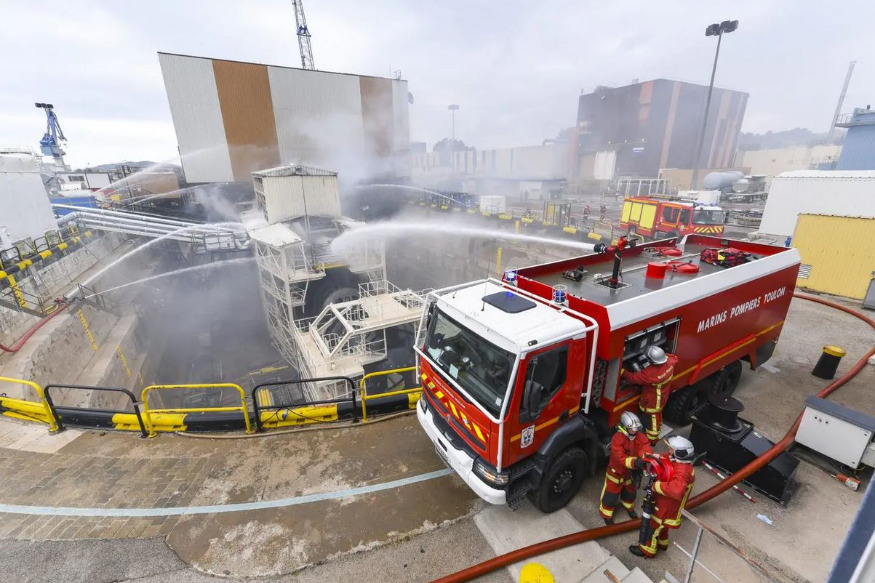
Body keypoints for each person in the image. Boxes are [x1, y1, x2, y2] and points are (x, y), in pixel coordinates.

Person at [630, 435, 696, 558]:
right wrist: (654, 457)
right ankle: (663, 544)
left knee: (653, 527)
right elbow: (667, 459)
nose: (668, 451)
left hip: (666, 507)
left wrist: (656, 486)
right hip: (670, 507)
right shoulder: (682, 464)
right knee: (663, 527)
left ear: (680, 453)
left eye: (671, 449)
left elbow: (676, 490)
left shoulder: (682, 471)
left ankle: (647, 550)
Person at [599, 411, 653, 525]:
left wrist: (643, 459)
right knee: (610, 495)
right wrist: (635, 462)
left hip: (630, 472)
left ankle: (628, 506)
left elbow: (646, 447)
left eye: (636, 428)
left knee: (630, 492)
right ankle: (606, 514)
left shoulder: (639, 436)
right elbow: (620, 457)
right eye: (632, 429)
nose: (635, 431)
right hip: (616, 473)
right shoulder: (617, 438)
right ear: (624, 427)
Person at [623, 346, 679, 444]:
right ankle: (656, 430)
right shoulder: (670, 361)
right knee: (658, 415)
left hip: (653, 400)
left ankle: (652, 440)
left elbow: (633, 378)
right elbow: (673, 356)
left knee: (653, 418)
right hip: (663, 394)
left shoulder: (650, 374)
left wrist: (623, 372)